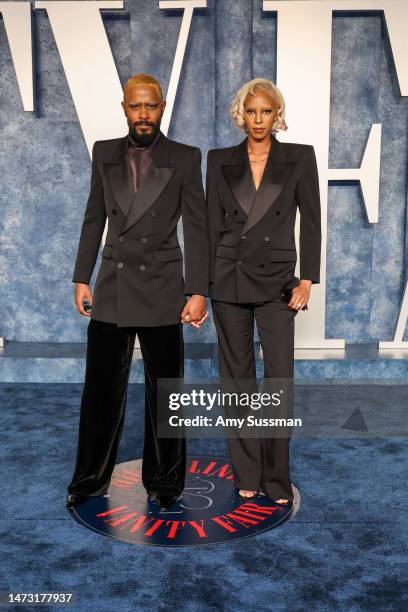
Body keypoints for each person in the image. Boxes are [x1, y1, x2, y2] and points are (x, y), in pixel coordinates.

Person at [66, 73, 209, 511]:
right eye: (135, 106)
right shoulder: (104, 152)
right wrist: (81, 276)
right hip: (112, 282)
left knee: (165, 391)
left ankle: (165, 483)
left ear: (162, 107)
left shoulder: (185, 157)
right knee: (101, 390)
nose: (142, 114)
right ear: (124, 107)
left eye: (150, 106)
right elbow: (95, 218)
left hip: (164, 286)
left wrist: (198, 290)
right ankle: (89, 480)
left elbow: (198, 227)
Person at [206, 77, 321, 504]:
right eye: (251, 111)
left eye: (266, 111)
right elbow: (209, 225)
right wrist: (201, 286)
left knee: (277, 382)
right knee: (236, 382)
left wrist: (307, 278)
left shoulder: (299, 157)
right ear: (241, 114)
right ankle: (246, 474)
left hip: (278, 284)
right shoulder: (219, 160)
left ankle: (276, 479)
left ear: (278, 114)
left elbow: (310, 219)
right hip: (229, 281)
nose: (258, 119)